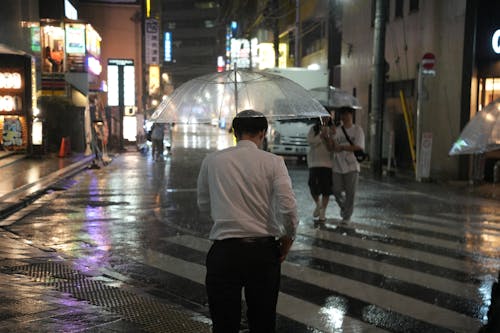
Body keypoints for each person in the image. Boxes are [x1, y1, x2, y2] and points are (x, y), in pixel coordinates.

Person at [197, 109, 298, 333]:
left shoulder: (212, 161)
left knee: (224, 324)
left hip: (224, 252)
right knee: (262, 322)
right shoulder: (274, 162)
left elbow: (204, 204)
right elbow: (288, 207)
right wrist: (288, 237)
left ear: (235, 132)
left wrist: (226, 215)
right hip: (263, 253)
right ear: (263, 133)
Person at [327, 106, 365, 223]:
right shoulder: (337, 130)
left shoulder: (357, 130)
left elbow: (359, 146)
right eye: (343, 114)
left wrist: (342, 147)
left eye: (347, 114)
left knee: (350, 192)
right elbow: (331, 148)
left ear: (351, 115)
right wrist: (330, 136)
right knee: (336, 190)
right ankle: (345, 207)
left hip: (352, 166)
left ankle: (346, 216)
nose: (344, 117)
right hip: (338, 165)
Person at [306, 116, 334, 222]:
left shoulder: (332, 129)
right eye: (323, 117)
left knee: (326, 189)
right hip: (314, 163)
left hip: (327, 163)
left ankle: (323, 211)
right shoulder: (314, 129)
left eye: (327, 117)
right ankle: (318, 204)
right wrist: (320, 136)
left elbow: (333, 145)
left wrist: (328, 137)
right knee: (312, 185)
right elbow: (310, 141)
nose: (325, 119)